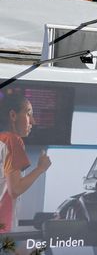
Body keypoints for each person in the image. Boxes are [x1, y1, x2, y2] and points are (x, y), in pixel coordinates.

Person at [0, 91, 51, 233]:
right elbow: (15, 189)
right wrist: (40, 169)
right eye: (28, 114)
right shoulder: (13, 140)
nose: (33, 121)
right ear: (13, 115)